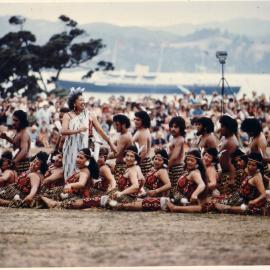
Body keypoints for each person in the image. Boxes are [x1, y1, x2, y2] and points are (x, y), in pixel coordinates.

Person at [61, 88, 115, 179]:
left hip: (85, 148)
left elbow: (100, 131)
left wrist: (110, 143)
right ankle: (70, 187)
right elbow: (63, 131)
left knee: (85, 169)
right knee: (70, 169)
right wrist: (78, 130)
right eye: (81, 100)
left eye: (84, 100)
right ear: (74, 103)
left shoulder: (90, 114)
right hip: (70, 147)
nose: (84, 102)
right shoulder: (68, 115)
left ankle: (82, 188)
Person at [0, 110, 31, 175]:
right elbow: (16, 143)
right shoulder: (18, 131)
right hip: (18, 164)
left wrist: (13, 162)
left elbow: (24, 150)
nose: (13, 122)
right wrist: (6, 138)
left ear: (22, 122)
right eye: (13, 120)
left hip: (23, 165)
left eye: (16, 120)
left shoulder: (24, 134)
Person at [218, 115, 239, 194]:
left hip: (228, 174)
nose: (221, 128)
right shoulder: (224, 138)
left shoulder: (232, 142)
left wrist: (232, 178)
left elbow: (231, 161)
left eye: (223, 126)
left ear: (229, 128)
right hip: (222, 172)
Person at [109, 114, 133, 182]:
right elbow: (114, 145)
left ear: (124, 125)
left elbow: (116, 154)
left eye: (117, 125)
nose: (115, 127)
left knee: (119, 189)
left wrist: (105, 157)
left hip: (122, 166)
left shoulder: (124, 136)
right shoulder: (123, 134)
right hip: (121, 165)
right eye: (115, 125)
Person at [168, 116, 186, 198]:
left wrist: (166, 166)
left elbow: (174, 156)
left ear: (181, 128)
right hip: (172, 166)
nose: (172, 129)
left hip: (178, 168)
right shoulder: (173, 138)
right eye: (171, 126)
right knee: (172, 189)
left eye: (175, 127)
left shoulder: (180, 139)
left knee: (177, 191)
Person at [133, 111, 152, 177]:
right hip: (144, 162)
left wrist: (136, 164)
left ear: (144, 121)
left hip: (143, 163)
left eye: (138, 120)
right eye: (134, 119)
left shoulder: (142, 132)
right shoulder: (142, 130)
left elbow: (143, 151)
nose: (135, 121)